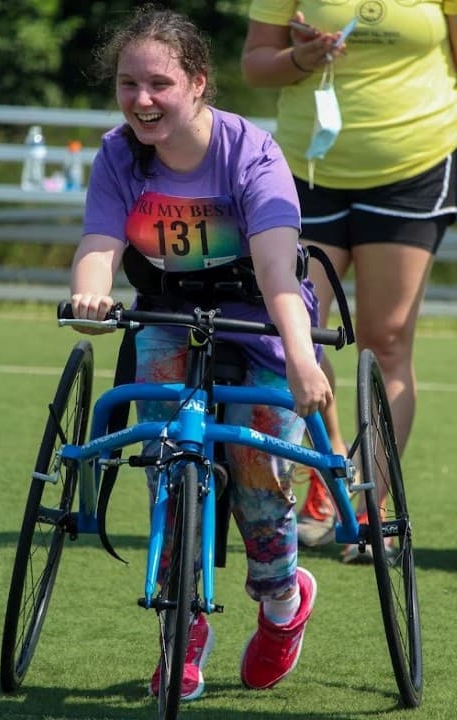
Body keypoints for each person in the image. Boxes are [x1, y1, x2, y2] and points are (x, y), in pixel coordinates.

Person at [69, 3, 333, 701]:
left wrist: (304, 360)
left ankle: (281, 601)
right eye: (129, 84)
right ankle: (180, 631)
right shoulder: (118, 154)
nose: (142, 100)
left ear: (198, 83)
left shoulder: (252, 154)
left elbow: (280, 274)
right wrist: (91, 297)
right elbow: (100, 242)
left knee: (256, 478)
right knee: (167, 463)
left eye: (158, 83)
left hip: (258, 317)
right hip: (166, 313)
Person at [242, 0, 457, 560]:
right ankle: (334, 471)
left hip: (415, 167)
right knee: (299, 327)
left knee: (385, 340)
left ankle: (370, 508)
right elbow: (256, 65)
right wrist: (301, 56)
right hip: (309, 171)